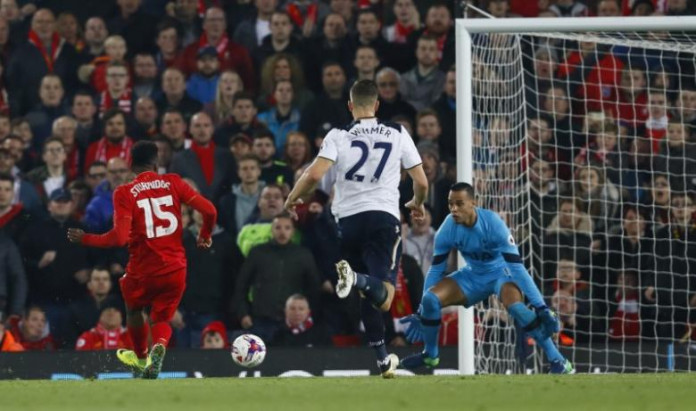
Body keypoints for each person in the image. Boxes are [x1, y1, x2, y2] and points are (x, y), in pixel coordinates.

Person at [284, 79, 428, 378]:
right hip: (383, 219)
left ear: (350, 106)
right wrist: (417, 202)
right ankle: (358, 279)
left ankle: (382, 358)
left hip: (347, 222)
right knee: (384, 295)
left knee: (368, 295)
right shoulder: (397, 132)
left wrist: (293, 196)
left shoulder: (338, 134)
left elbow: (314, 174)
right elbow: (422, 181)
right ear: (377, 105)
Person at [67, 140, 218, 379]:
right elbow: (210, 210)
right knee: (162, 317)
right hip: (175, 268)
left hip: (142, 270)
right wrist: (204, 236)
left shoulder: (124, 193)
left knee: (134, 310)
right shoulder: (174, 182)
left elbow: (118, 239)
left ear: (130, 164)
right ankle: (159, 346)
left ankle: (140, 358)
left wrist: (86, 239)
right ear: (156, 162)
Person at [398, 182, 575, 374]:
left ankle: (558, 361)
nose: (454, 209)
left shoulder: (493, 224)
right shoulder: (447, 228)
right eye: (450, 204)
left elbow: (517, 268)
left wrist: (541, 306)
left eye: (459, 204)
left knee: (517, 308)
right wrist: (421, 310)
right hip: (473, 275)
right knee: (430, 299)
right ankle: (430, 355)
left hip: (502, 274)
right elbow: (435, 270)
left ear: (473, 203)